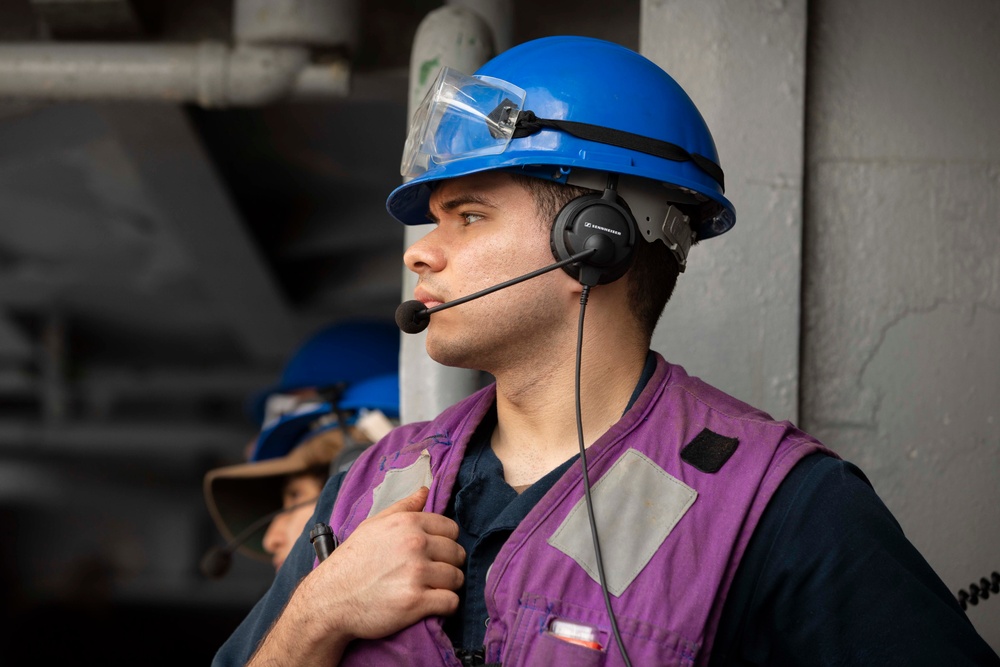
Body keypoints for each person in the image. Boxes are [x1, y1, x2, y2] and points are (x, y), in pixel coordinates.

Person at [213, 37, 1000, 666]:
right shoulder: (367, 485)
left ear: (593, 240)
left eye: (470, 216)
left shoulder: (777, 504)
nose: (421, 252)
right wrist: (317, 613)